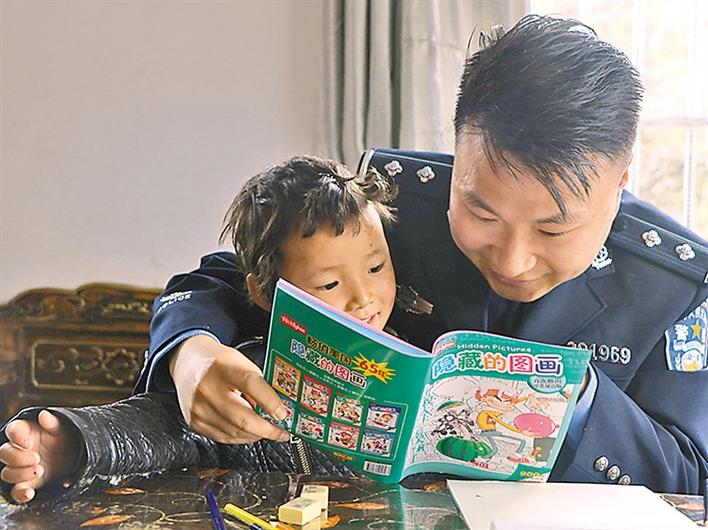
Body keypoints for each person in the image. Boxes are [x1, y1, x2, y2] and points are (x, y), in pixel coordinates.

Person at [134, 15, 708, 494]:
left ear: (619, 184)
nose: (512, 261)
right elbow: (222, 279)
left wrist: (574, 405)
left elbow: (689, 478)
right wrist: (191, 352)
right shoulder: (393, 209)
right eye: (482, 213)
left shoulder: (674, 285)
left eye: (553, 230)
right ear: (457, 153)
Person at [0, 155, 398, 503]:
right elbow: (162, 426)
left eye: (377, 268)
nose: (363, 298)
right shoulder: (248, 377)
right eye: (329, 284)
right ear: (265, 293)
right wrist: (74, 445)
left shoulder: (412, 341)